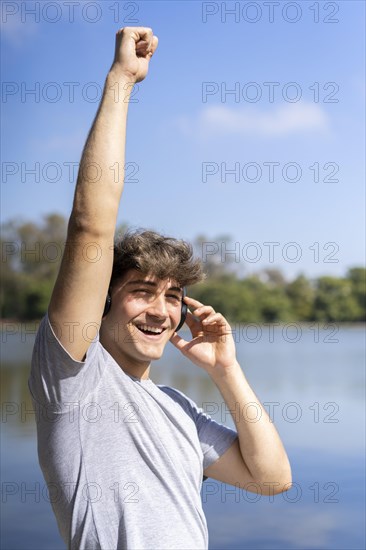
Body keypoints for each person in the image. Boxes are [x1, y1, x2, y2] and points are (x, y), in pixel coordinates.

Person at [29, 27, 292, 550]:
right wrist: (123, 81)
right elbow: (90, 226)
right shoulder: (74, 379)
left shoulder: (177, 409)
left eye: (172, 296)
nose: (160, 310)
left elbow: (272, 478)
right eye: (142, 290)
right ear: (101, 303)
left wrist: (226, 370)